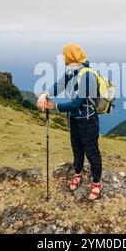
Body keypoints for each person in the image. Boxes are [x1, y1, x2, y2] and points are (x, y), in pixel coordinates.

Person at [37, 43, 102, 201]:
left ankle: (96, 183)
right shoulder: (72, 72)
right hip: (74, 119)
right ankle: (78, 174)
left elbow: (77, 103)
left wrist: (54, 106)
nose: (64, 57)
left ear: (70, 56)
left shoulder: (87, 75)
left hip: (87, 120)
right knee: (77, 149)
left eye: (65, 54)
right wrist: (45, 94)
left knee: (92, 152)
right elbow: (59, 85)